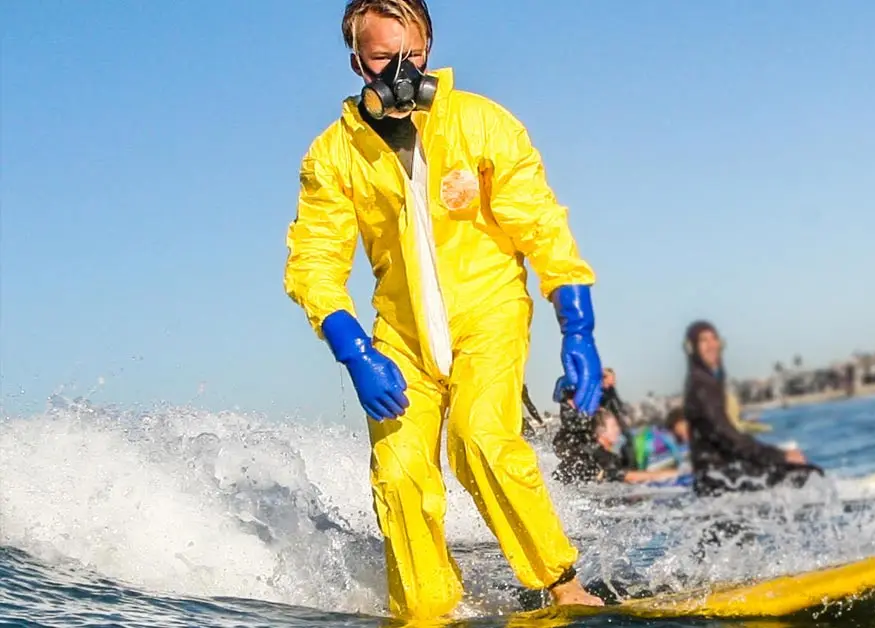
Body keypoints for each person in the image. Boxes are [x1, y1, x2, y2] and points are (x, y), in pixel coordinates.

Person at [282, 0, 605, 618]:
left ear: (429, 47)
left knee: (479, 439)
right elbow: (313, 262)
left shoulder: (483, 124)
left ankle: (562, 586)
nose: (400, 69)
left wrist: (578, 325)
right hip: (398, 336)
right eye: (381, 57)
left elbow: (540, 225)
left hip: (488, 310)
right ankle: (427, 609)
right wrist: (353, 349)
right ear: (356, 61)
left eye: (412, 54)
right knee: (400, 474)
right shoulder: (333, 156)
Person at [681, 321, 824, 497]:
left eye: (714, 339)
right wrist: (779, 456)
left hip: (720, 472)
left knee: (796, 472)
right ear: (692, 348)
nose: (711, 345)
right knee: (807, 475)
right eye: (703, 340)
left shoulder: (707, 382)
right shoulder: (701, 386)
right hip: (715, 478)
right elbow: (726, 436)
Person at [552, 404, 681, 485]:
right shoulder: (598, 454)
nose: (618, 430)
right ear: (602, 432)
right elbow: (624, 476)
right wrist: (663, 475)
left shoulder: (587, 449)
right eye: (613, 426)